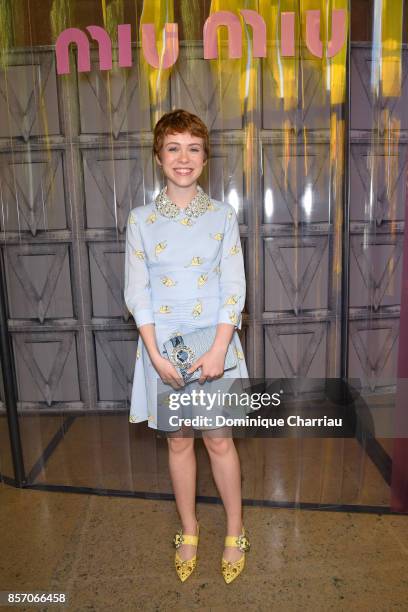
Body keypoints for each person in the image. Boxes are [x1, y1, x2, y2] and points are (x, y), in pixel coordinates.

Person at [124, 109, 251, 584]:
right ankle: (190, 529)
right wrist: (155, 356)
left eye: (193, 148)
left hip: (216, 346)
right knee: (179, 442)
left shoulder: (222, 216)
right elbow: (137, 292)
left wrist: (220, 348)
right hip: (163, 351)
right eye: (173, 147)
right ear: (159, 156)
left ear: (205, 157)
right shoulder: (141, 220)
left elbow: (233, 286)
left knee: (219, 441)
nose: (183, 158)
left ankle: (236, 531)